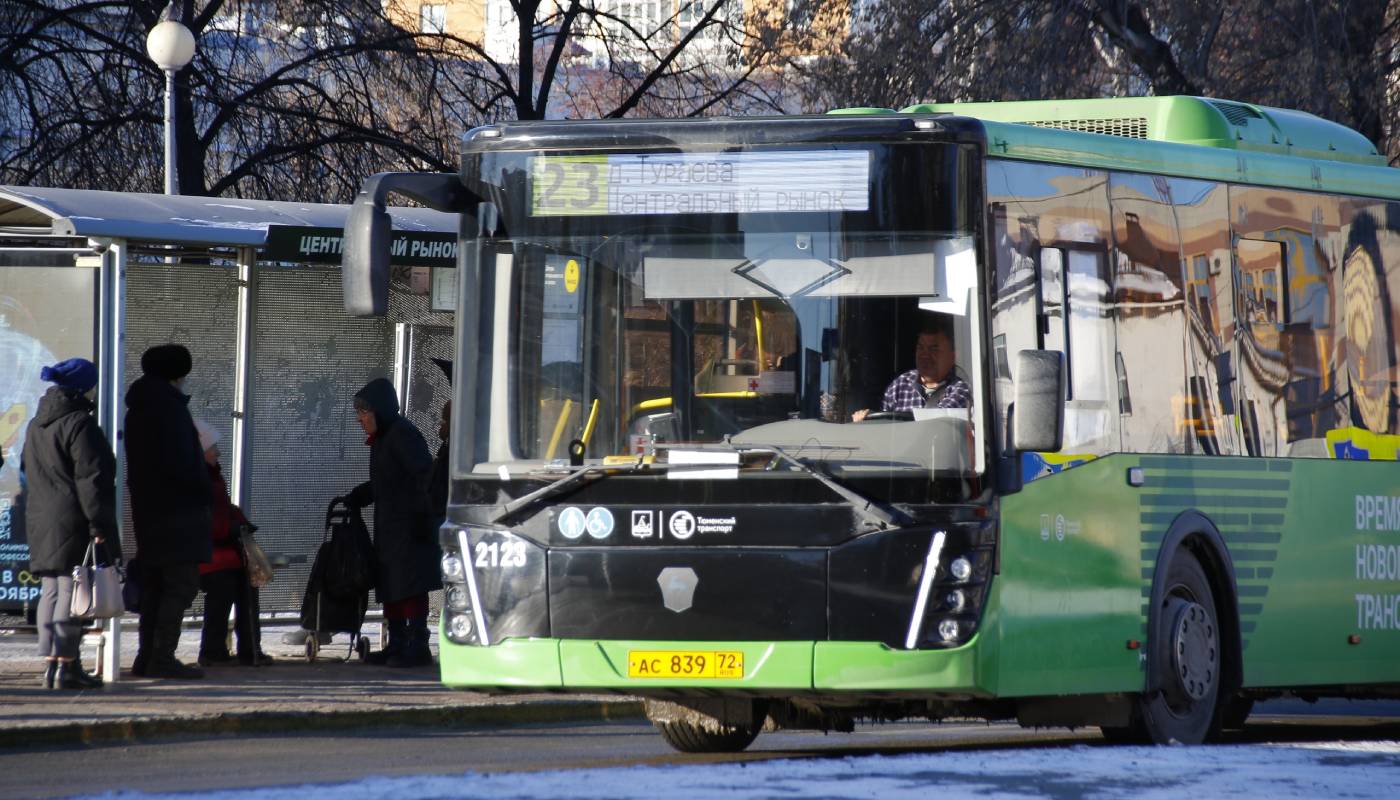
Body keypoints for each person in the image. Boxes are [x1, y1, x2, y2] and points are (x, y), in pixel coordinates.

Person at [21, 358, 114, 690]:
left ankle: (50, 666)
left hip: (40, 518)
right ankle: (67, 667)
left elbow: (26, 469)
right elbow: (92, 479)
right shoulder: (80, 424)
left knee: (50, 590)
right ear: (84, 388)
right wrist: (99, 525)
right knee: (72, 592)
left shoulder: (36, 424)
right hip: (71, 517)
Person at [339, 378, 440, 668]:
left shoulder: (401, 434)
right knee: (391, 585)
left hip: (408, 525)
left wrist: (421, 516)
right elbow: (387, 481)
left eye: (363, 413)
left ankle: (416, 644)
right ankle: (396, 644)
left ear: (378, 411)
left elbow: (422, 476)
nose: (360, 419)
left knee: (409, 585)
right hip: (392, 526)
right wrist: (362, 494)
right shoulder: (385, 437)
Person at [125, 344, 212, 679]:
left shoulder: (140, 407)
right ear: (179, 373)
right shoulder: (170, 409)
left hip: (150, 512)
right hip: (178, 513)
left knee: (155, 586)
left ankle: (146, 657)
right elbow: (182, 465)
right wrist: (202, 490)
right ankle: (161, 658)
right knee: (180, 586)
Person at [193, 420, 270, 667]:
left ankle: (239, 648)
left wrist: (240, 521)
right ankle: (235, 649)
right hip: (212, 556)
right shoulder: (204, 479)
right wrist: (232, 527)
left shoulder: (211, 477)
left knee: (241, 586)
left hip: (221, 553)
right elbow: (210, 521)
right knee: (227, 587)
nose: (217, 452)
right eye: (212, 447)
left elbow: (223, 511)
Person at [852, 325, 971, 421]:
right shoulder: (901, 384)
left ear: (953, 356)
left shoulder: (960, 389)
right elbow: (884, 424)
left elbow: (933, 425)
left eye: (933, 349)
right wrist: (864, 421)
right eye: (920, 348)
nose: (924, 355)